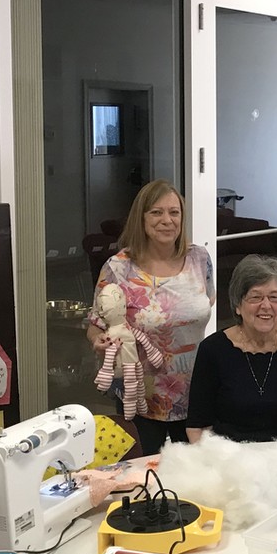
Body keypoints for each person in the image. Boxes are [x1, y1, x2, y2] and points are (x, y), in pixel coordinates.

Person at [88, 179, 214, 454]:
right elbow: (96, 326)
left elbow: (206, 304)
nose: (166, 220)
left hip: (197, 391)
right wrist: (101, 341)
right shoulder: (118, 268)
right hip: (141, 400)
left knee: (195, 478)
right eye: (156, 212)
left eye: (174, 212)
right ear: (141, 218)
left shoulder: (199, 259)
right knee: (148, 479)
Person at [187, 255, 277, 442]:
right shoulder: (213, 349)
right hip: (232, 460)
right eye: (255, 297)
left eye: (274, 297)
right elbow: (197, 426)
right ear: (238, 305)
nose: (266, 306)